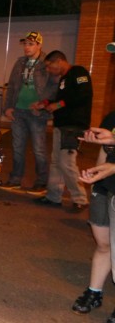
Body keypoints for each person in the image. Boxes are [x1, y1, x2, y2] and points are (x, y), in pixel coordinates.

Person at [32, 50, 92, 211]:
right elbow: (62, 100)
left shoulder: (78, 72)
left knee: (66, 163)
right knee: (56, 162)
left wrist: (58, 105)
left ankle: (80, 199)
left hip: (73, 126)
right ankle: (53, 196)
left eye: (49, 66)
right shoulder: (64, 80)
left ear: (59, 61)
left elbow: (83, 95)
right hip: (61, 125)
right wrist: (45, 103)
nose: (49, 70)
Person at [3, 32, 58, 191]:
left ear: (39, 45)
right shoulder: (20, 62)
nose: (26, 47)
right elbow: (12, 86)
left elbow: (53, 87)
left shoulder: (46, 63)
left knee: (39, 149)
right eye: (25, 44)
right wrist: (7, 107)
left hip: (36, 113)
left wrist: (43, 104)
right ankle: (15, 178)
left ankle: (42, 180)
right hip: (18, 111)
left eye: (30, 44)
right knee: (17, 147)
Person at [74, 111, 115, 320]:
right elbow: (104, 153)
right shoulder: (111, 118)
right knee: (103, 244)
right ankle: (95, 291)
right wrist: (96, 177)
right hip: (106, 187)